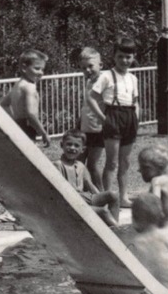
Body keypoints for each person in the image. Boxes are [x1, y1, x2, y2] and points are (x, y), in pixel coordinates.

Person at [89, 41, 142, 208]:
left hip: (129, 116)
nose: (124, 60)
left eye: (128, 57)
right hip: (113, 114)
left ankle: (123, 197)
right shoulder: (106, 76)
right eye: (120, 56)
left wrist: (137, 119)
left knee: (125, 161)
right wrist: (103, 118)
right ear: (114, 56)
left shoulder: (133, 78)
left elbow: (135, 101)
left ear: (133, 58)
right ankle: (108, 198)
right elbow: (91, 97)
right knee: (112, 162)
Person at [55, 131, 119, 225]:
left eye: (76, 146)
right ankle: (117, 232)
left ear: (83, 149)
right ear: (62, 145)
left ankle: (114, 229)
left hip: (85, 199)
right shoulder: (58, 165)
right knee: (103, 212)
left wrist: (103, 198)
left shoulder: (80, 166)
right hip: (71, 203)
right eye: (69, 144)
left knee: (113, 195)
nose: (72, 148)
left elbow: (90, 185)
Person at [1, 50, 51, 149]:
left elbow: (3, 104)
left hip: (18, 124)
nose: (41, 73)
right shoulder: (29, 87)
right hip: (27, 126)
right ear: (24, 68)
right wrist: (43, 133)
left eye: (42, 69)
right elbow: (30, 113)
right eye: (37, 68)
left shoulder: (18, 85)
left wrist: (14, 119)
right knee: (32, 155)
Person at [75, 46, 108, 189]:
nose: (87, 70)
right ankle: (83, 192)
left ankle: (101, 193)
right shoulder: (89, 82)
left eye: (90, 66)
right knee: (79, 161)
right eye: (83, 68)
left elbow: (108, 105)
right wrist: (79, 122)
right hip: (85, 127)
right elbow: (86, 106)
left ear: (100, 65)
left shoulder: (105, 81)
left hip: (98, 129)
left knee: (92, 164)